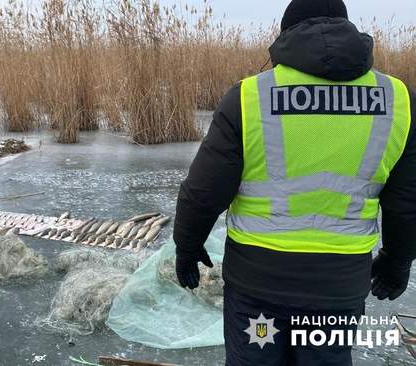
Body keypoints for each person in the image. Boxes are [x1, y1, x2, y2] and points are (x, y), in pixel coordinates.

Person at [173, 0, 416, 365]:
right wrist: (398, 261)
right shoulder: (397, 100)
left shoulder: (249, 96)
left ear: (286, 34)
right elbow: (407, 202)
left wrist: (187, 246)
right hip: (338, 284)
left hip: (258, 284)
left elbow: (203, 192)